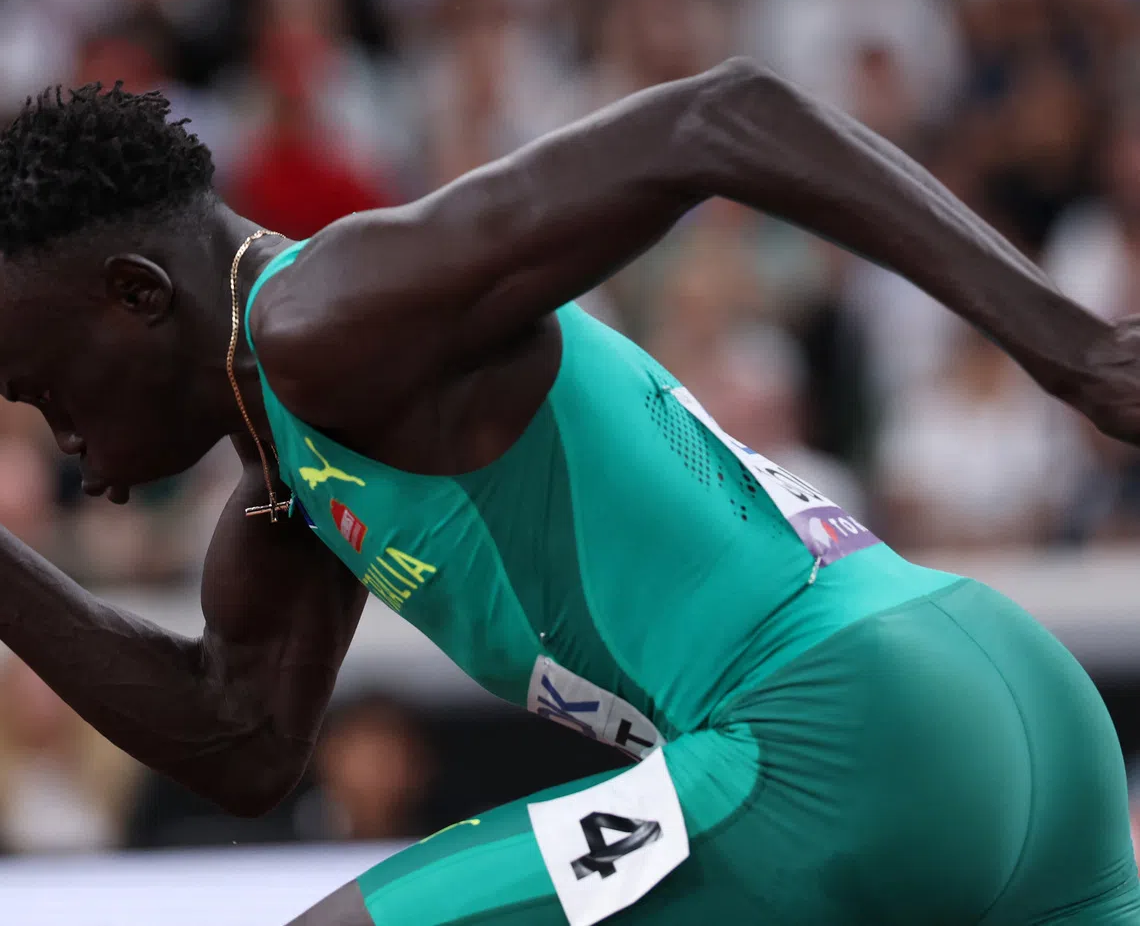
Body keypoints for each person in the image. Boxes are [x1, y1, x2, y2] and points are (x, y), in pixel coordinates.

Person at [0, 63, 1137, 925]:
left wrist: (1071, 350)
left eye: (47, 390)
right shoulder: (289, 470)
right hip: (1023, 704)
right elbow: (237, 745)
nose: (68, 446)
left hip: (837, 734)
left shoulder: (322, 320)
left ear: (137, 296)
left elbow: (722, 114)